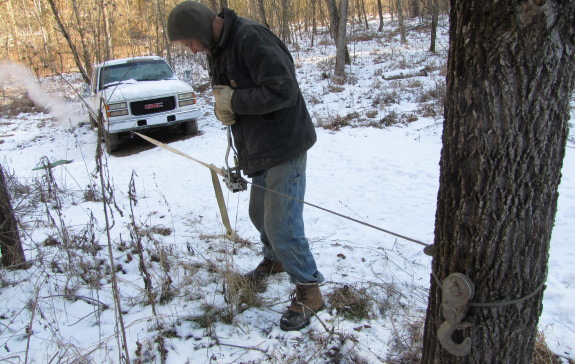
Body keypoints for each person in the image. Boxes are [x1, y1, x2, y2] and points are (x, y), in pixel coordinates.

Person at [167, 1, 324, 331]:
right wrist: (226, 107)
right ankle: (276, 260)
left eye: (189, 43)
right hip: (259, 147)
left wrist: (235, 101)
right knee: (258, 215)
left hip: (285, 143)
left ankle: (310, 291)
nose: (192, 50)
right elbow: (232, 92)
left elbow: (283, 89)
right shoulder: (218, 48)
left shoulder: (251, 38)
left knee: (282, 224)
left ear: (199, 30)